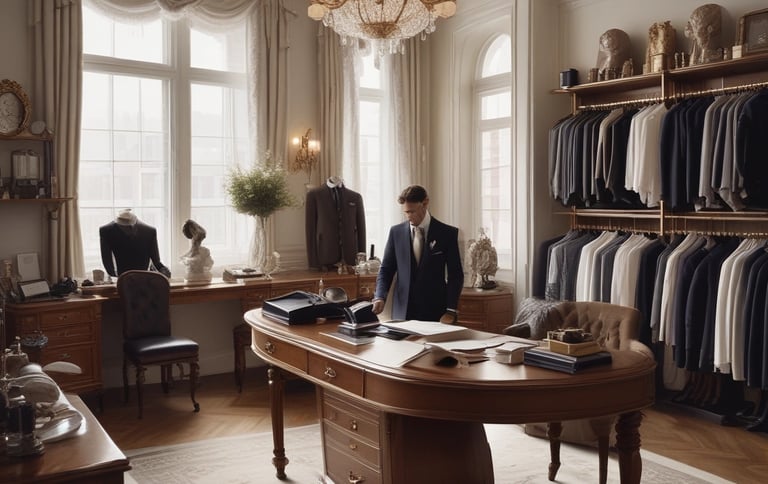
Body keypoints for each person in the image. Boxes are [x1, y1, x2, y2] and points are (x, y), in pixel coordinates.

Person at [372, 185, 464, 324]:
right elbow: (386, 269)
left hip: (435, 313)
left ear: (425, 203)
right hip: (402, 312)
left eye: (412, 211)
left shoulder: (447, 234)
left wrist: (451, 311)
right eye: (406, 212)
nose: (408, 216)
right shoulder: (396, 233)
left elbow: (455, 275)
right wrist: (380, 296)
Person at [99, 209, 171, 278]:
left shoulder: (149, 231)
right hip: (120, 281)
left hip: (144, 281)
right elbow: (107, 261)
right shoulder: (106, 231)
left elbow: (157, 262)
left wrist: (164, 273)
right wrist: (114, 278)